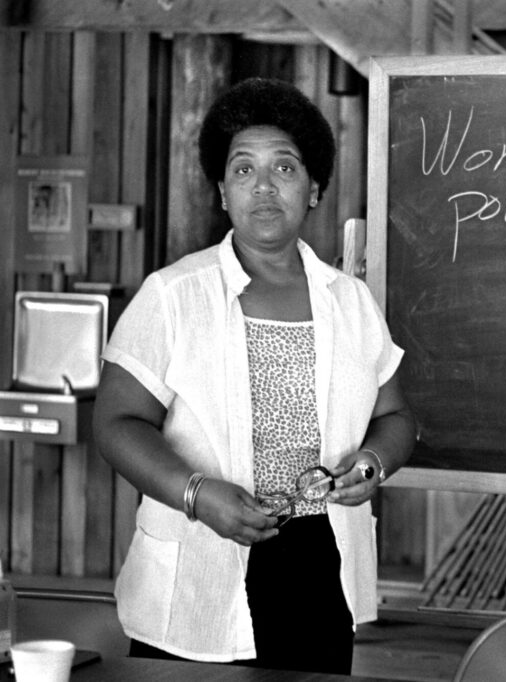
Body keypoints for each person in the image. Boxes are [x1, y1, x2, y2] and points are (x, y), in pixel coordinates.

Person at [92, 77, 417, 675]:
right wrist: (196, 493)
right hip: (202, 558)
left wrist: (372, 465)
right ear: (221, 191)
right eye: (243, 170)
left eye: (285, 168)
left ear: (315, 188)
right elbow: (115, 423)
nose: (263, 186)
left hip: (321, 564)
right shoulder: (172, 296)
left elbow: (395, 417)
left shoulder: (351, 302)